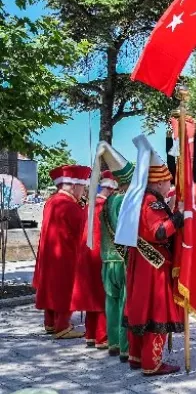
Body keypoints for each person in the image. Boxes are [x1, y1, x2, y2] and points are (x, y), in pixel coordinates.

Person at [116, 135, 184, 375]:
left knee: (140, 311)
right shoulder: (152, 202)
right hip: (153, 266)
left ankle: (136, 357)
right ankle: (152, 363)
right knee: (156, 311)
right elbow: (159, 231)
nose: (169, 186)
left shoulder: (141, 199)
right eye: (167, 182)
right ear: (158, 183)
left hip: (141, 262)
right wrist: (180, 217)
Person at [32, 165, 91, 339]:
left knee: (51, 288)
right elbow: (84, 227)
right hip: (65, 255)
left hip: (50, 253)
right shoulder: (68, 205)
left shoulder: (52, 201)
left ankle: (50, 323)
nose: (83, 190)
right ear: (74, 186)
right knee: (66, 289)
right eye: (82, 187)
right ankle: (63, 326)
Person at [93, 142, 134, 361]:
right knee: (124, 302)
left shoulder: (108, 200)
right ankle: (125, 347)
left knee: (111, 302)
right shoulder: (126, 201)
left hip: (106, 259)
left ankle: (113, 343)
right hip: (122, 259)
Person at [71, 170, 118, 349]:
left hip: (86, 255)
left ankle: (91, 334)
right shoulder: (104, 207)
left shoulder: (89, 206)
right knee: (103, 296)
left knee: (92, 294)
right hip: (100, 256)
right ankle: (102, 336)